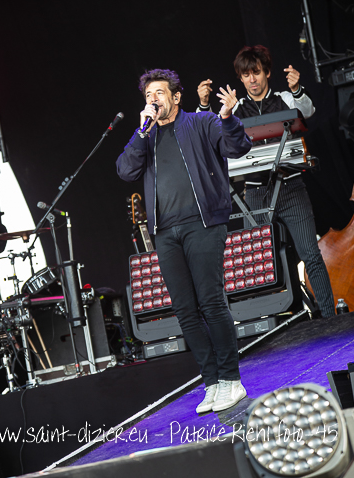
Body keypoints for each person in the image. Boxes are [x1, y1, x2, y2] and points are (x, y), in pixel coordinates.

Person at [117, 69, 252, 413]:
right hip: (165, 232)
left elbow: (238, 147)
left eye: (159, 93)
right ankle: (212, 382)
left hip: (202, 224)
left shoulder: (201, 122)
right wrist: (140, 132)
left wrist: (228, 118)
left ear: (176, 97)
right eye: (148, 96)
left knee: (211, 302)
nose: (153, 100)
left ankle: (231, 379)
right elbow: (125, 170)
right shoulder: (146, 136)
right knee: (185, 311)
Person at [197, 45, 335, 318]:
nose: (252, 79)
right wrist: (204, 104)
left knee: (310, 254)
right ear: (240, 78)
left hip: (291, 187)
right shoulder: (235, 108)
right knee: (259, 261)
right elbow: (207, 132)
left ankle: (330, 317)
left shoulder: (284, 98)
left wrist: (296, 89)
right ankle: (277, 321)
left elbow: (307, 110)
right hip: (255, 192)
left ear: (267, 73)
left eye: (257, 72)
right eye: (246, 75)